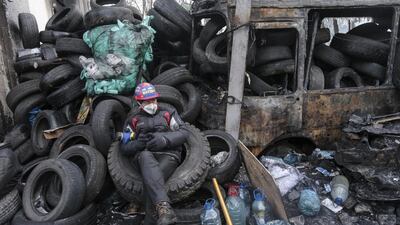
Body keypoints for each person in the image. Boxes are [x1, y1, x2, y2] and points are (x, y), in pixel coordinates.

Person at [119, 82, 188, 225]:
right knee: (145, 158)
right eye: (147, 101)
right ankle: (165, 211)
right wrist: (137, 144)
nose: (152, 103)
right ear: (139, 102)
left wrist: (165, 139)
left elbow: (184, 133)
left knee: (151, 179)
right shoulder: (133, 119)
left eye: (153, 99)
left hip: (168, 155)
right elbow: (124, 147)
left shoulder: (168, 112)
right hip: (145, 156)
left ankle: (151, 220)